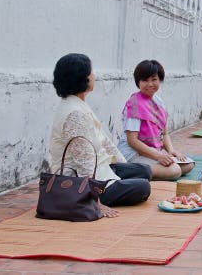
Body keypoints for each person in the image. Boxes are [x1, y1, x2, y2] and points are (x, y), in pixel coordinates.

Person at [50, 53, 151, 218]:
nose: (94, 76)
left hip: (102, 168)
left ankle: (118, 180)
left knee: (144, 171)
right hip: (80, 182)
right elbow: (84, 161)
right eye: (91, 72)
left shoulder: (79, 104)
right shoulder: (74, 113)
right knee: (143, 187)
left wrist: (123, 167)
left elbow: (104, 141)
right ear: (82, 78)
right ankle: (100, 193)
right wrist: (94, 201)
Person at [118, 60, 194, 180]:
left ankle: (152, 171)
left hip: (152, 151)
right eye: (145, 80)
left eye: (154, 79)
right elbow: (132, 141)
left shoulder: (158, 102)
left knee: (188, 165)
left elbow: (165, 133)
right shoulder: (134, 104)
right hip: (132, 154)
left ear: (160, 80)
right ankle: (132, 171)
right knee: (174, 171)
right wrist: (158, 157)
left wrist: (171, 151)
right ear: (138, 82)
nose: (150, 84)